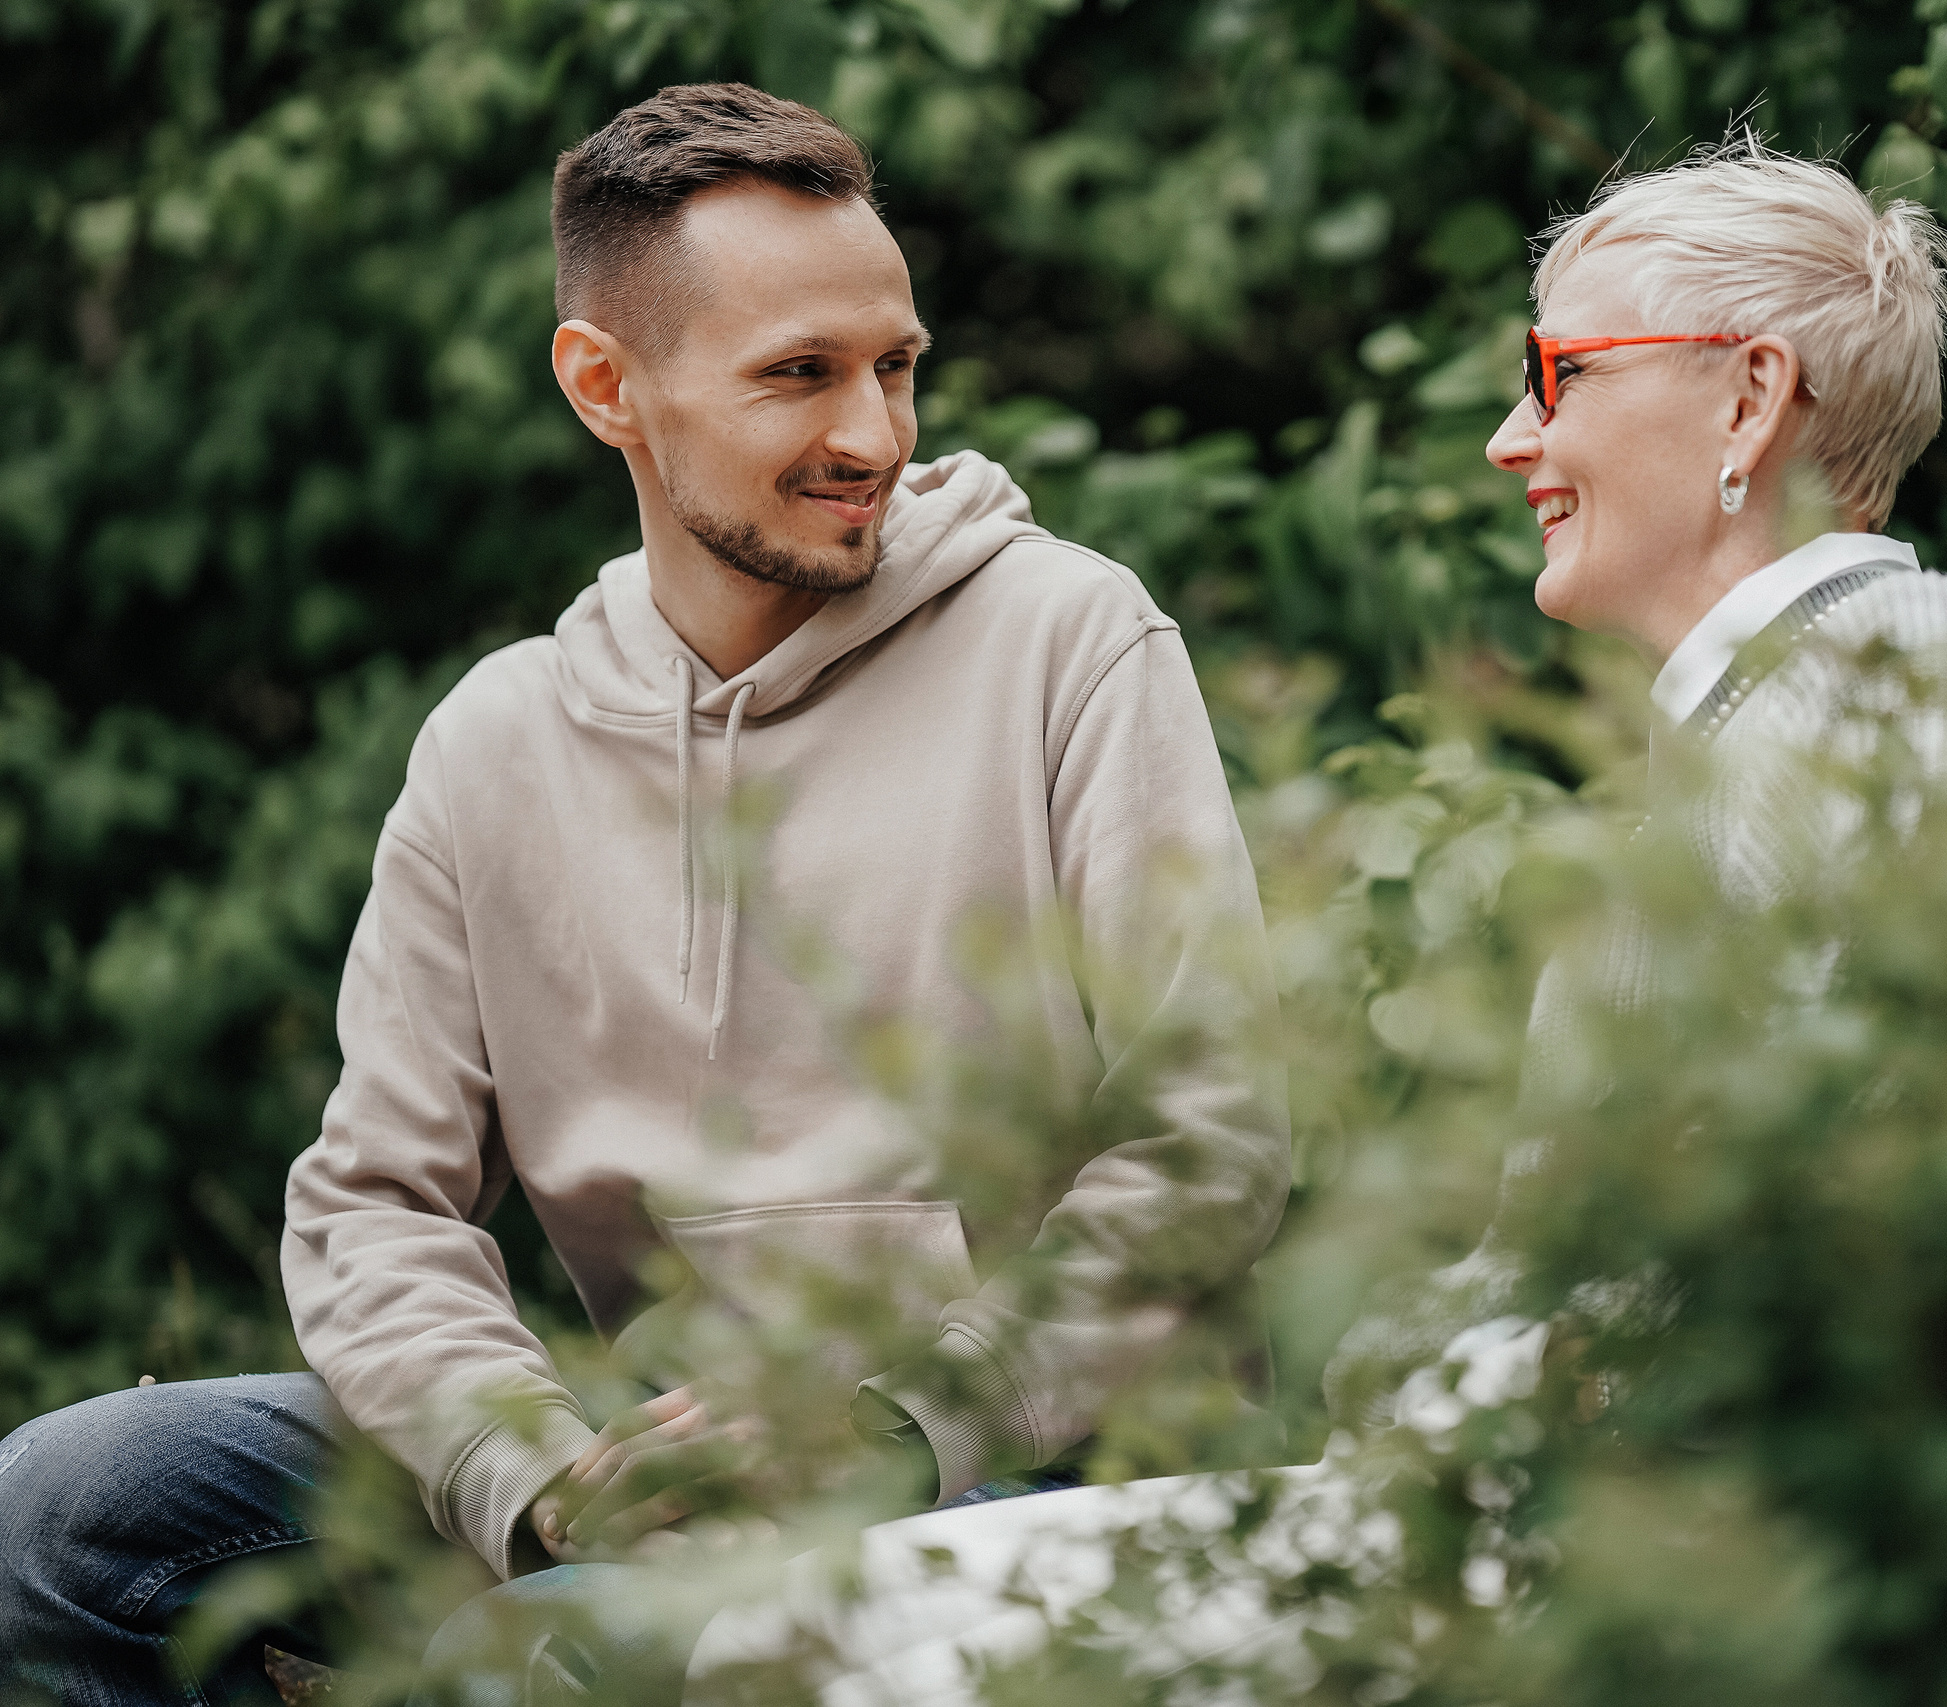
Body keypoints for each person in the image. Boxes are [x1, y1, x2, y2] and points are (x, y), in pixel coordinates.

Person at [680, 133, 1947, 1704]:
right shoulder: (1781, 716)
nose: (1513, 438)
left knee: (833, 1668)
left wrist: (1480, 1409)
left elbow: (1816, 1238)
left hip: (1649, 1568)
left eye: (1557, 372)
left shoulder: (1893, 668)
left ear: (1751, 400)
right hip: (1508, 1512)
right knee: (786, 1622)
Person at [0, 82, 1290, 1705]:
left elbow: (1206, 1138)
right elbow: (370, 1207)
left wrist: (898, 1417)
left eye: (896, 366)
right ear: (606, 385)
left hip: (1036, 1457)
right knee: (69, 1509)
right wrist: (531, 1474)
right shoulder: (497, 743)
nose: (874, 436)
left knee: (545, 1652)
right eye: (797, 377)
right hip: (656, 1464)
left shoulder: (1069, 641)